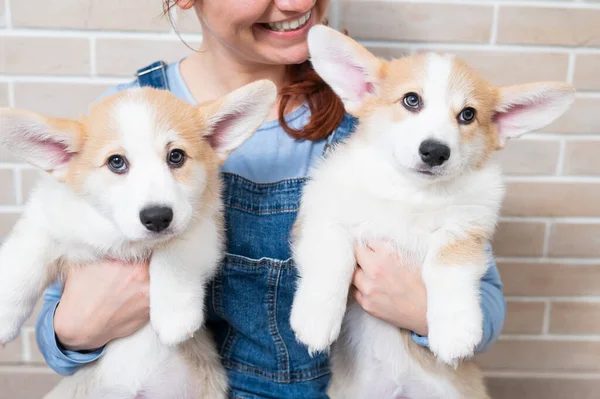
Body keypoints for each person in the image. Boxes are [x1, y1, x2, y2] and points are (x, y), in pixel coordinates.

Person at [35, 1, 506, 397]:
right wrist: (76, 328)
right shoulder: (122, 122)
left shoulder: (380, 118)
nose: (298, 3)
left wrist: (418, 307)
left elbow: (482, 311)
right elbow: (59, 339)